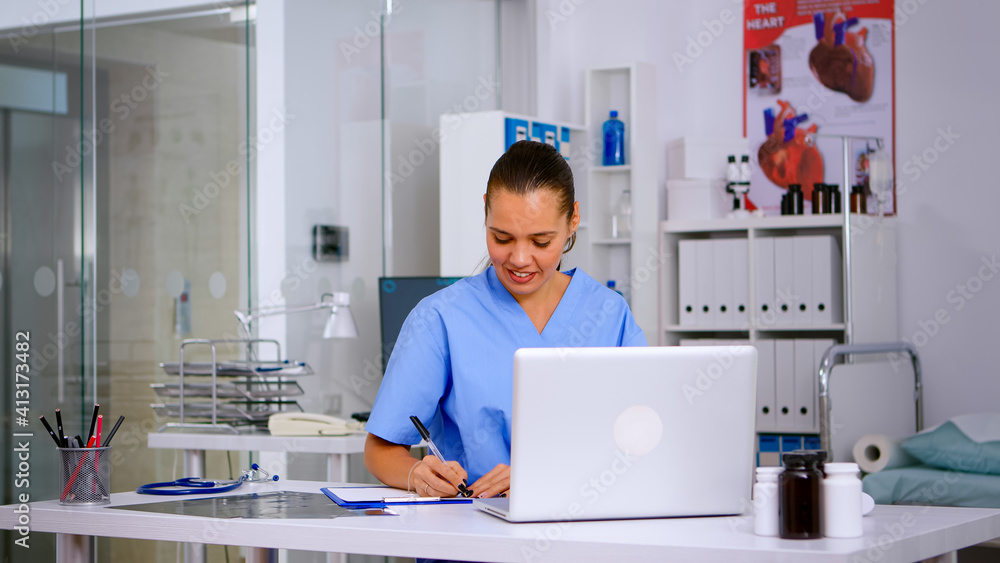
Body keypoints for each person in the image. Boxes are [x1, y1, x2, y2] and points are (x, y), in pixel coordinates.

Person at [364, 140, 646, 500]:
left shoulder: (610, 314)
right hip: (471, 534)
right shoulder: (441, 318)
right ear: (485, 211)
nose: (520, 259)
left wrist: (542, 475)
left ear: (573, 220)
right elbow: (379, 450)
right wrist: (418, 473)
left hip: (584, 525)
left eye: (541, 241)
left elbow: (642, 439)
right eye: (502, 238)